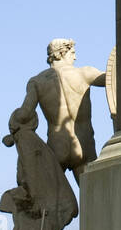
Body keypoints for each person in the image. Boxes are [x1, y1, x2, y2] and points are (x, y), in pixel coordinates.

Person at [8, 39, 106, 185]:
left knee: (50, 201)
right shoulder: (84, 73)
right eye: (72, 53)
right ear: (62, 53)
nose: (75, 57)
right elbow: (112, 79)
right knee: (95, 198)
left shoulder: (36, 82)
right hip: (84, 144)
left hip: (57, 146)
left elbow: (25, 114)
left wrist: (15, 128)